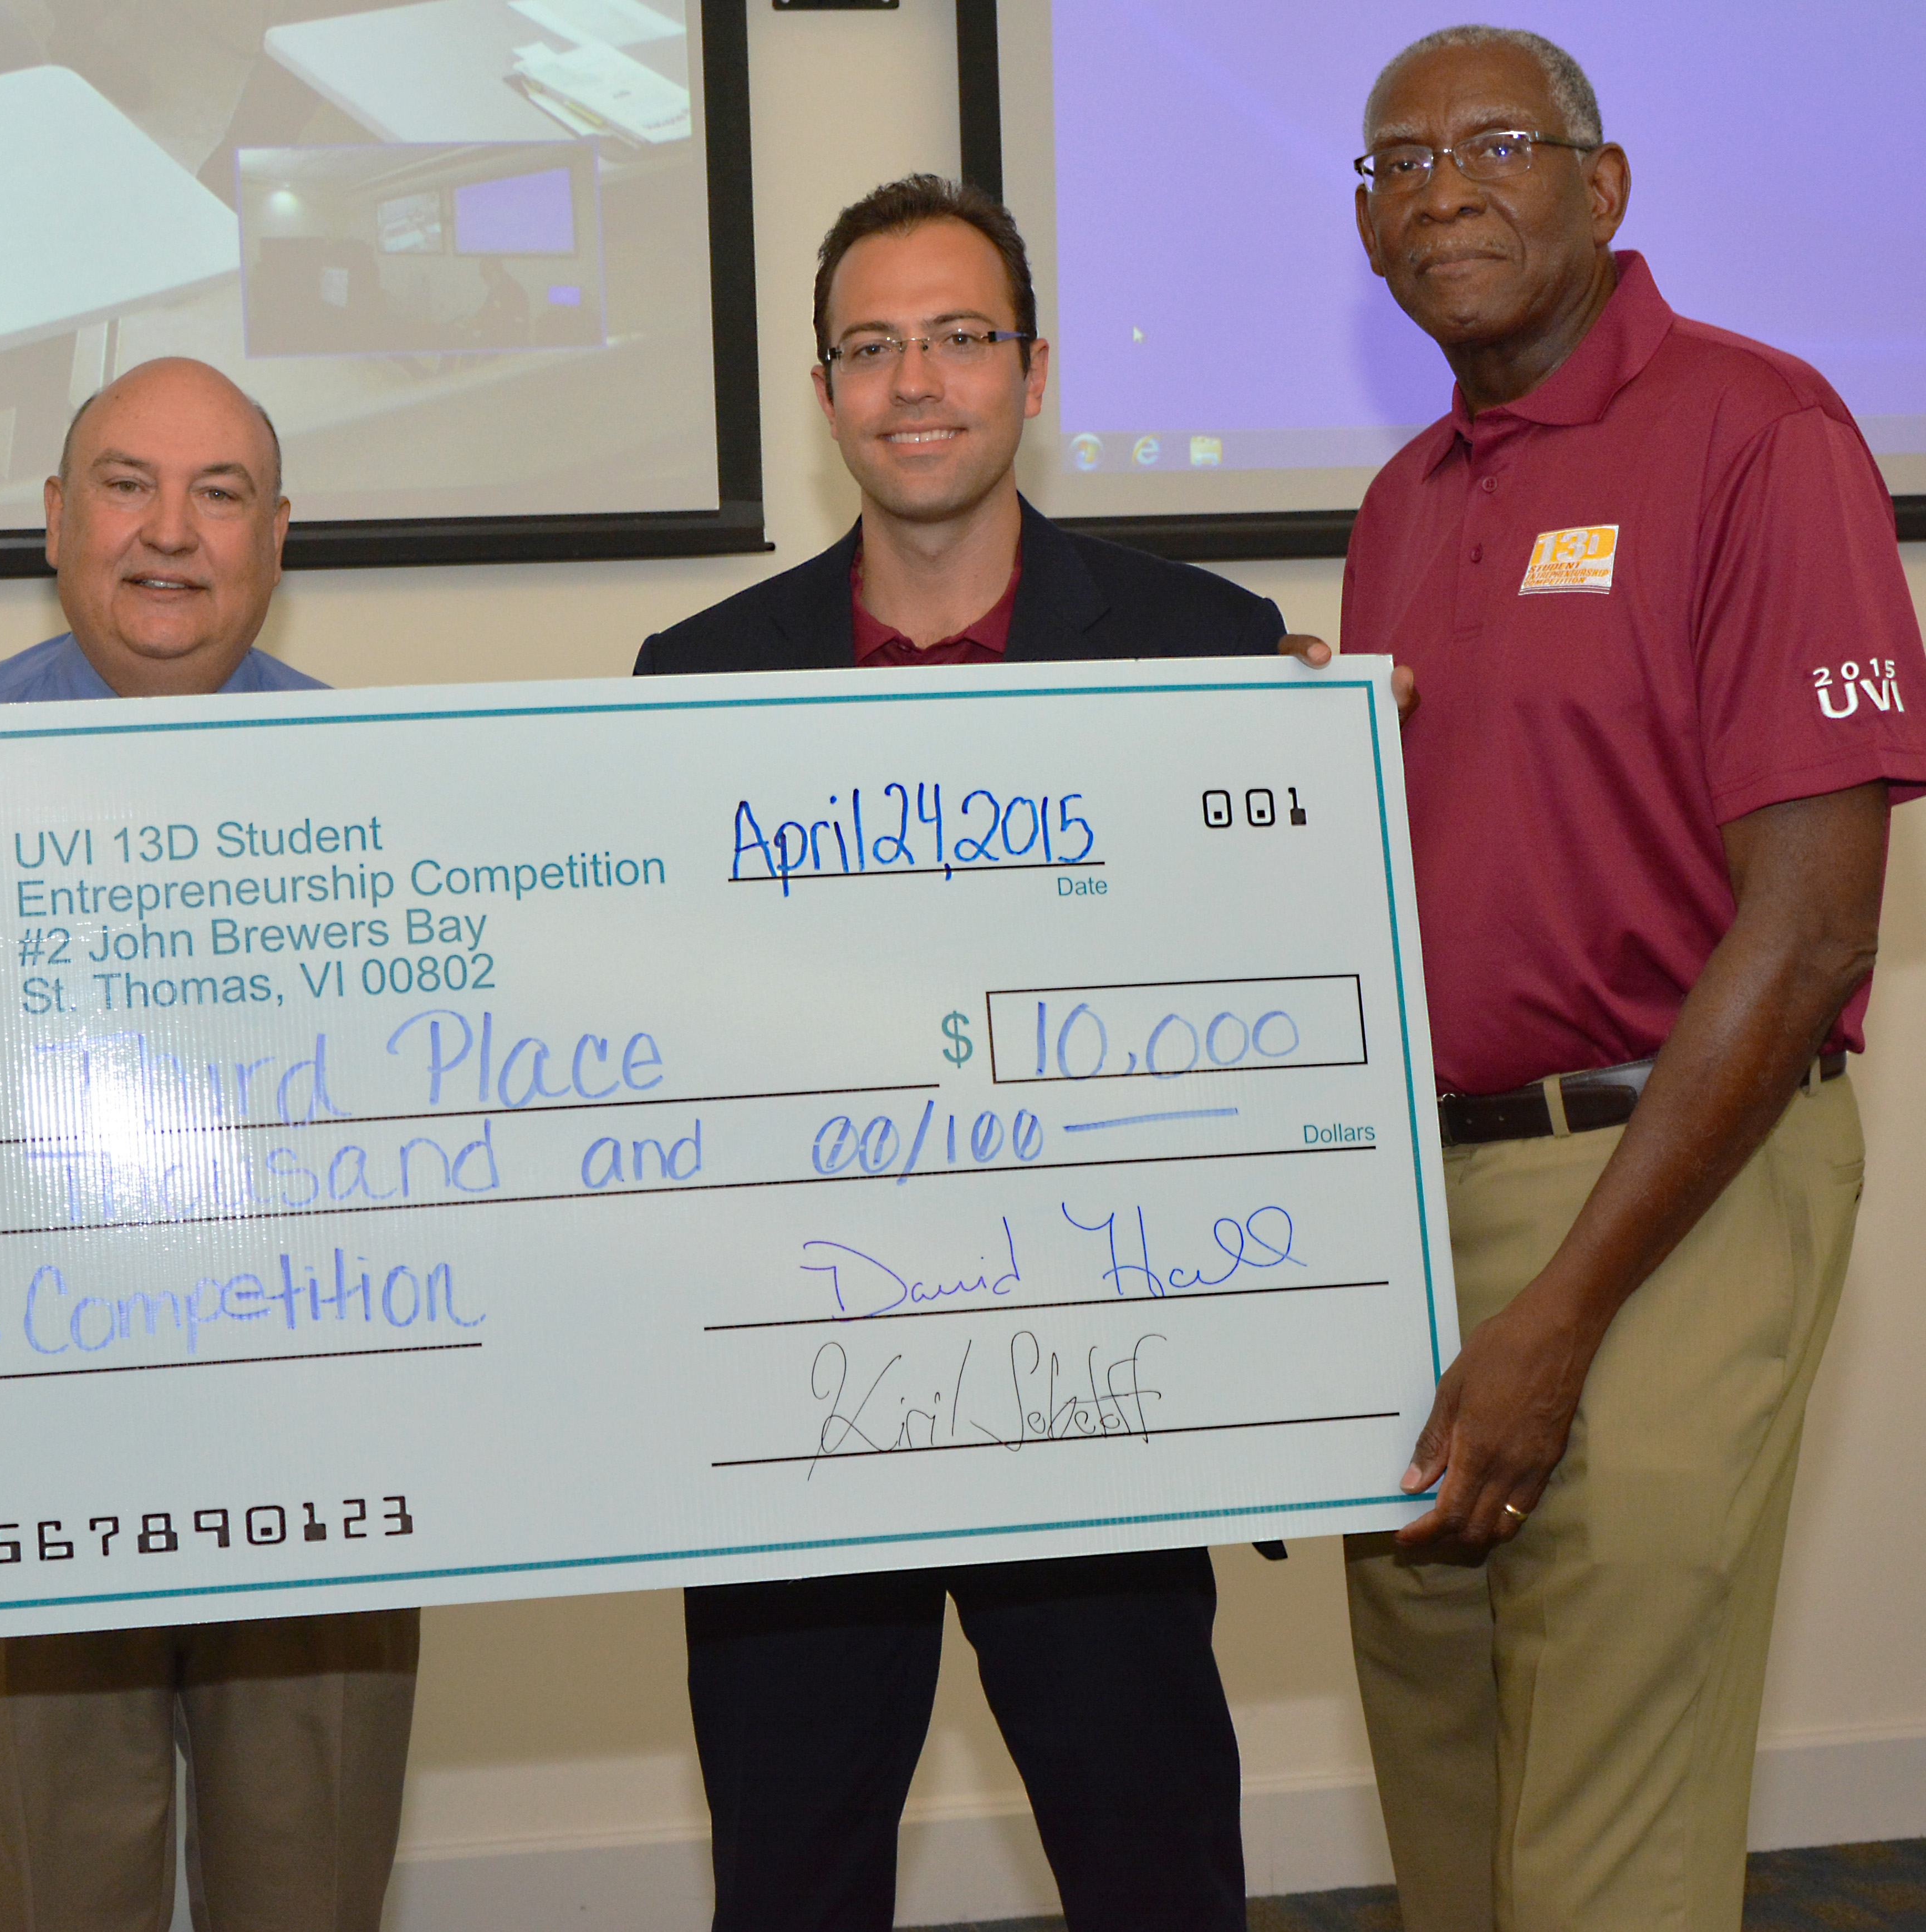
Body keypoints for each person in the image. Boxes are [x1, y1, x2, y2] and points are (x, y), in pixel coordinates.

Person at [634, 175, 1284, 1932]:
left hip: (1100, 1398)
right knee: (791, 1880)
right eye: (873, 346)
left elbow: (1273, 1024)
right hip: (802, 1401)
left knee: (1157, 1873)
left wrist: (1319, 799)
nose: (916, 382)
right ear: (826, 385)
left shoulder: (1213, 653)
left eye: (960, 337)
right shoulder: (688, 682)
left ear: (1037, 368)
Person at [1334, 27, 1926, 1932]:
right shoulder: (1402, 504)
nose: (1441, 190)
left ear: (1603, 185)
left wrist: (1561, 1313)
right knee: (1446, 1795)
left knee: (1604, 1836)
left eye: (1495, 145)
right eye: (1395, 165)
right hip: (1427, 1203)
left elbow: (1821, 923)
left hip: (1670, 1187)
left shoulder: (1768, 434)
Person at [0, 357, 419, 1932]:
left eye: (220, 495)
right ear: (56, 520)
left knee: (309, 1894)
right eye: (128, 486)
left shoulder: (403, 796)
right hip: (17, 1482)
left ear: (279, 538)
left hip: (318, 1477)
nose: (169, 534)